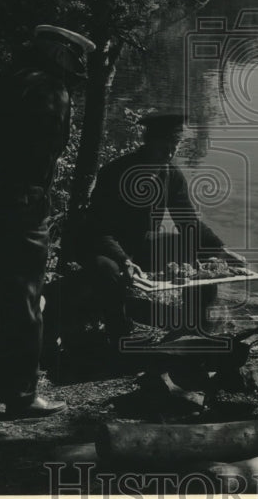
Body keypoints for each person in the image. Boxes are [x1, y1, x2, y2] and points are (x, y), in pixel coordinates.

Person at [0, 24, 95, 418]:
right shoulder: (50, 89)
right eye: (73, 59)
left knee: (5, 279)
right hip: (18, 200)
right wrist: (31, 207)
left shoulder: (10, 79)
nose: (76, 68)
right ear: (60, 55)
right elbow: (40, 154)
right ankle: (21, 394)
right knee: (25, 297)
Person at [72, 113, 245, 340]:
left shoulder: (171, 175)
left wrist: (221, 250)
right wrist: (124, 259)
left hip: (139, 243)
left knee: (195, 251)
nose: (170, 153)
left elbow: (188, 222)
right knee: (111, 272)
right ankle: (118, 330)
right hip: (104, 247)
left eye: (175, 146)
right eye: (164, 146)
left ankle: (194, 324)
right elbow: (98, 228)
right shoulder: (116, 172)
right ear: (148, 141)